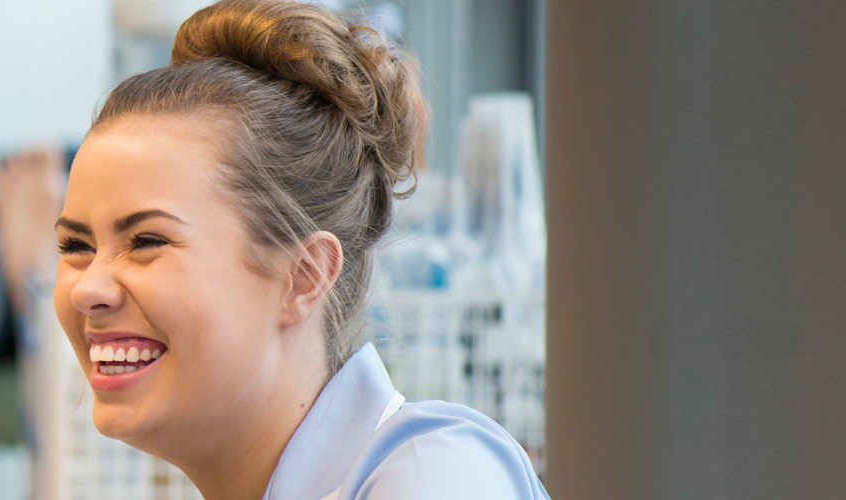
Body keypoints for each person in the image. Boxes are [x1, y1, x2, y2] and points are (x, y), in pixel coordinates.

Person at [51, 0, 548, 498]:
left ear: (304, 277)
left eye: (146, 241)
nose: (87, 288)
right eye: (75, 245)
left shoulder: (437, 475)